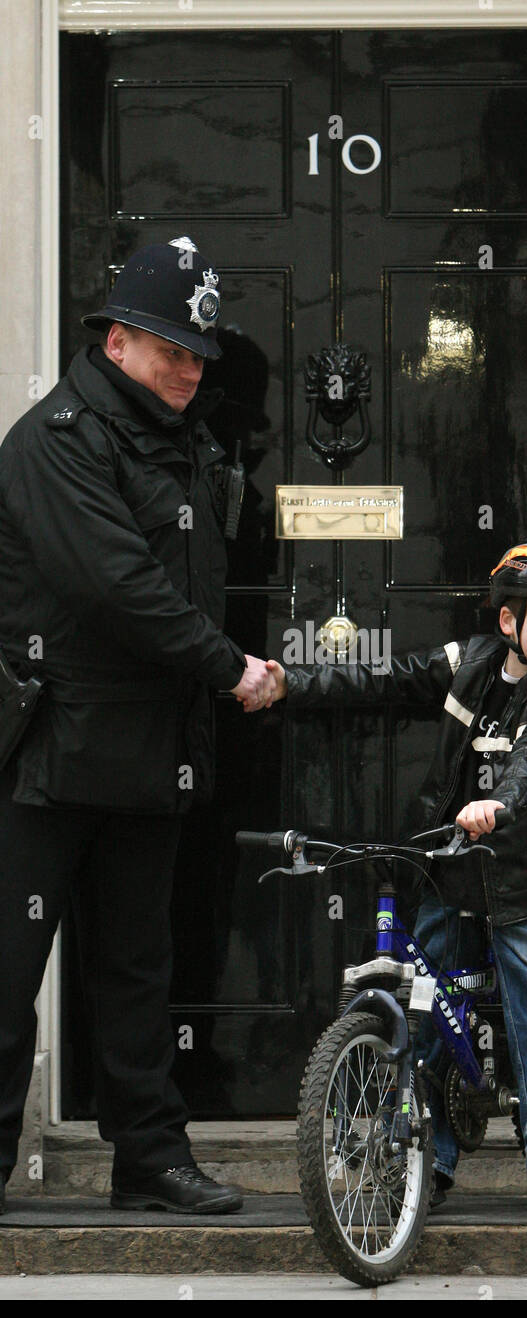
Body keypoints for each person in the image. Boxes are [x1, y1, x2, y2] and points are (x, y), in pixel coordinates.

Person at [0, 238, 275, 1217]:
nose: (189, 370)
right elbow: (121, 586)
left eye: (198, 355)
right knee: (8, 967)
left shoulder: (186, 438)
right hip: (43, 753)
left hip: (151, 753)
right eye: (172, 351)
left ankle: (148, 1158)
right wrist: (229, 667)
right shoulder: (57, 440)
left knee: (135, 971)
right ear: (117, 341)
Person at [266, 535, 527, 1233]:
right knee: (422, 1008)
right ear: (508, 621)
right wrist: (290, 684)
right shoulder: (473, 664)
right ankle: (426, 1157)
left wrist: (502, 805)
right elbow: (386, 680)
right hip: (448, 867)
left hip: (519, 880)